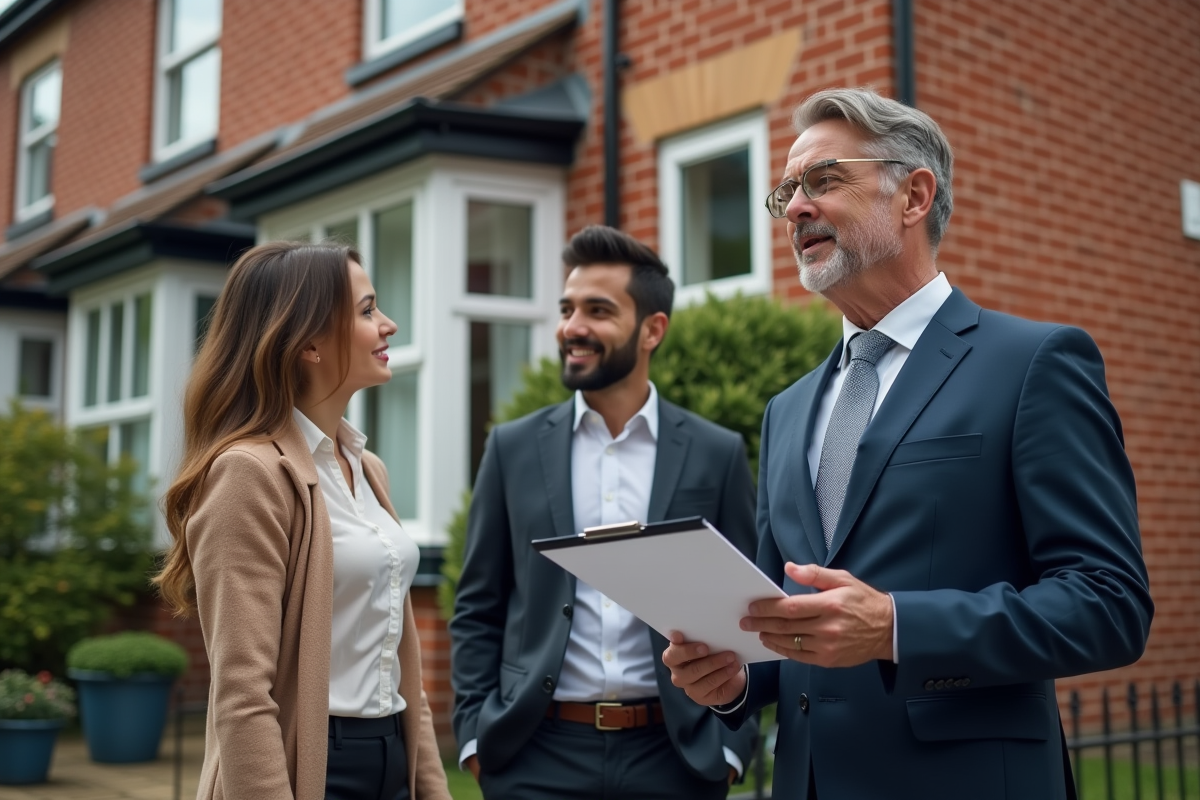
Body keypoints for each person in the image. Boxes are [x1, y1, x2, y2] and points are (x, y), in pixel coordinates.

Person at [662, 87, 1153, 800]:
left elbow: (1109, 604)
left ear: (914, 196)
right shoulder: (786, 411)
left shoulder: (1033, 364)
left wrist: (897, 626)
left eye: (823, 180)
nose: (795, 209)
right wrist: (734, 678)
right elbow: (783, 617)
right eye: (787, 193)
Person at [450, 225, 758, 800]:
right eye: (567, 309)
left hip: (675, 758)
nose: (572, 327)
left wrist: (731, 749)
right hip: (536, 755)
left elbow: (746, 609)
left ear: (652, 330)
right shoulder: (512, 448)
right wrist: (474, 737)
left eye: (598, 310)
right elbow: (478, 604)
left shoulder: (715, 453)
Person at [154, 242, 451, 800]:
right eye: (367, 310)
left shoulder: (368, 469)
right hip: (310, 767)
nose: (387, 325)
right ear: (309, 343)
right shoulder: (249, 474)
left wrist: (432, 787)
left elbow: (398, 668)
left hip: (393, 754)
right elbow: (243, 694)